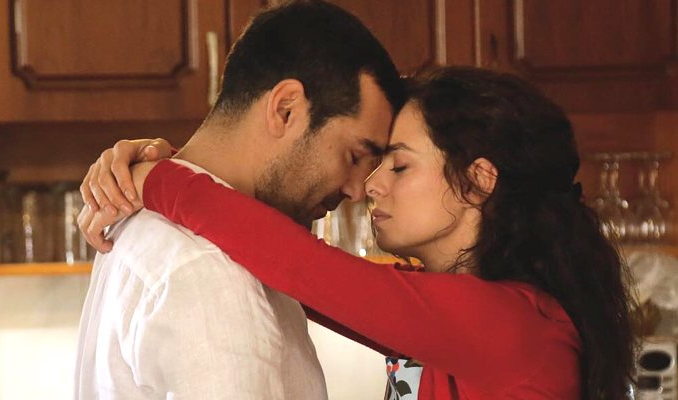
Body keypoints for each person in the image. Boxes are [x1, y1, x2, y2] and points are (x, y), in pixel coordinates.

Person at [82, 67, 638, 399]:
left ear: (477, 181)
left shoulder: (507, 321)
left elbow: (300, 267)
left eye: (399, 165)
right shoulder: (471, 312)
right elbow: (286, 265)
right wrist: (181, 163)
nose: (372, 185)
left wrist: (160, 177)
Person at [73, 1, 405, 399]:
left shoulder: (141, 221)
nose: (356, 191)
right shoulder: (211, 271)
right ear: (285, 109)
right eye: (353, 156)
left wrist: (162, 176)